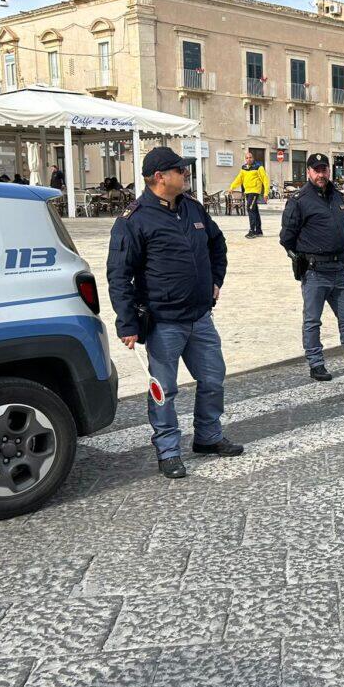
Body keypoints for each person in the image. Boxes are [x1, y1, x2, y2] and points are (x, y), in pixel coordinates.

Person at [106, 145, 244, 479]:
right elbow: (119, 275)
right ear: (159, 177)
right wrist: (127, 323)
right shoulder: (134, 220)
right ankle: (168, 450)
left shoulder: (192, 209)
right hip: (163, 322)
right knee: (164, 390)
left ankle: (208, 437)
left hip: (200, 317)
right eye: (180, 170)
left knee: (213, 379)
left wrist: (215, 280)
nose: (186, 174)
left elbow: (217, 244)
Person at [279, 153, 344, 382]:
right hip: (315, 272)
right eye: (316, 170)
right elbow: (286, 238)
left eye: (324, 170)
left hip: (339, 270)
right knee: (313, 321)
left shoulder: (337, 196)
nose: (321, 174)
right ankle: (316, 363)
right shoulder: (299, 200)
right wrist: (302, 259)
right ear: (308, 172)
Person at [230, 152, 269, 239]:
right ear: (245, 159)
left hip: (255, 191)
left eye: (250, 157)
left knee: (250, 209)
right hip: (247, 192)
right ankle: (258, 231)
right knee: (254, 210)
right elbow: (239, 179)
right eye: (247, 158)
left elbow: (265, 180)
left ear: (253, 158)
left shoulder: (259, 167)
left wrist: (266, 193)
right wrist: (232, 187)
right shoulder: (243, 168)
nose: (249, 159)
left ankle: (252, 231)